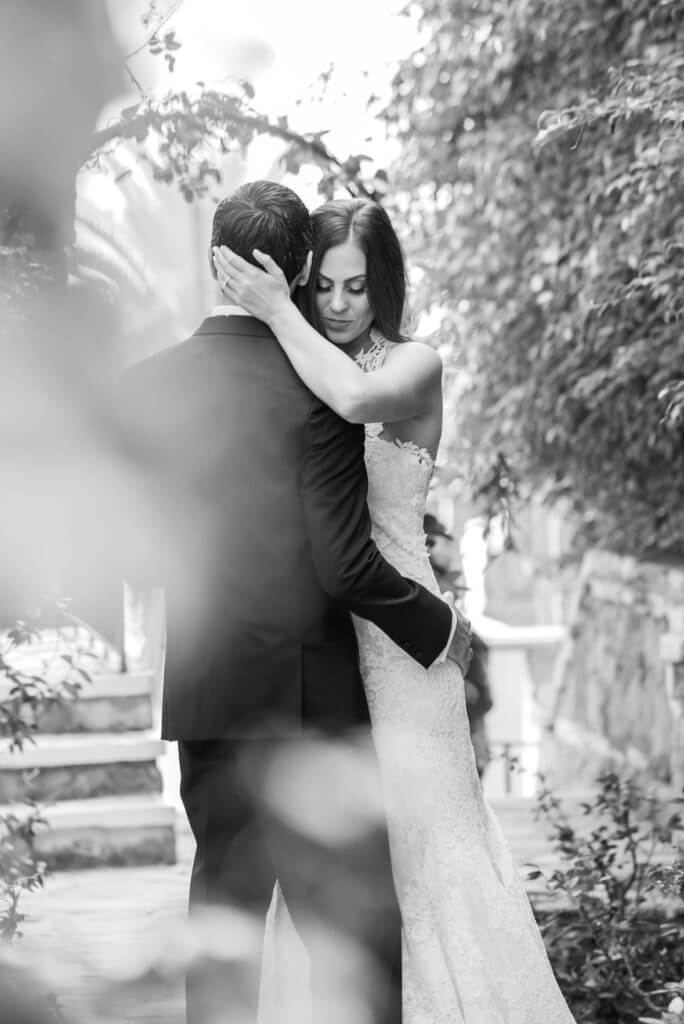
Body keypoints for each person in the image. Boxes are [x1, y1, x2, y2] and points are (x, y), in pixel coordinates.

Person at [214, 194, 578, 1023]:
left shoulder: (417, 364)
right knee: (330, 865)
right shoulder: (290, 356)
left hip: (406, 647)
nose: (339, 306)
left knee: (428, 856)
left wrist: (277, 309)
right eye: (325, 289)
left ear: (386, 286)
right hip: (316, 650)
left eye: (358, 288)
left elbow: (351, 401)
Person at [113, 181, 471, 1024]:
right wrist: (442, 625)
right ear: (302, 268)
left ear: (216, 262)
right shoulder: (320, 382)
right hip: (313, 693)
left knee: (224, 923)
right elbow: (345, 566)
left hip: (207, 688)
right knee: (347, 939)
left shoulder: (143, 386)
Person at [424, 512, 493, 779]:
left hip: (470, 691)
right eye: (440, 541)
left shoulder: (445, 581)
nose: (448, 549)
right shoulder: (429, 582)